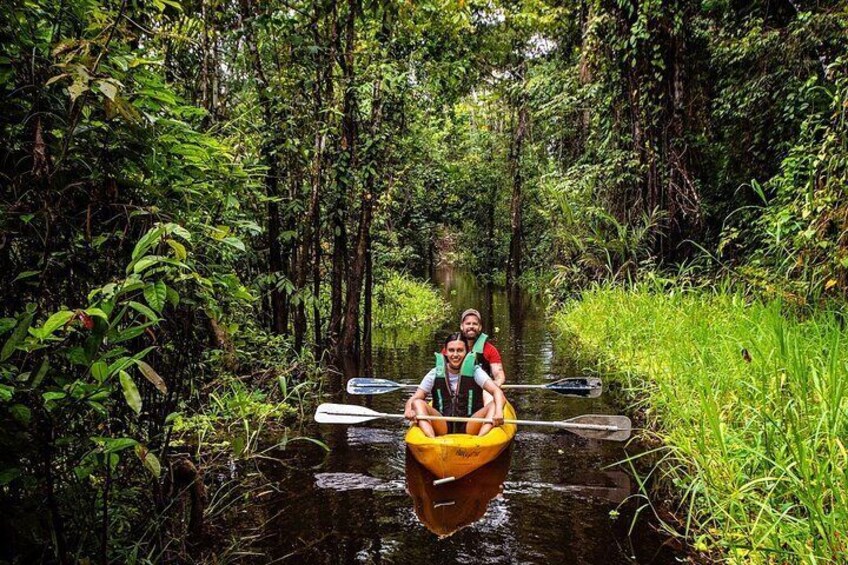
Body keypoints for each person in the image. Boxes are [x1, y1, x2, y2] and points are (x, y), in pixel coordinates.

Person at [405, 332, 506, 438]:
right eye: (451, 350)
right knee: (417, 403)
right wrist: (408, 410)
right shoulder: (435, 373)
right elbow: (415, 398)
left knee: (496, 402)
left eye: (460, 350)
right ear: (446, 352)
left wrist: (498, 412)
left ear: (467, 351)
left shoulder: (476, 371)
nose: (455, 355)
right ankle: (431, 441)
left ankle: (480, 441)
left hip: (470, 424)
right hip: (443, 424)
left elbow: (497, 392)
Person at [455, 308, 505, 404]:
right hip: (457, 389)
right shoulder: (452, 348)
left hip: (482, 389)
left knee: (488, 395)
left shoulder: (490, 349)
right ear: (462, 326)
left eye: (475, 324)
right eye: (468, 323)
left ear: (480, 327)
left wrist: (493, 386)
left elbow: (499, 376)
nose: (471, 326)